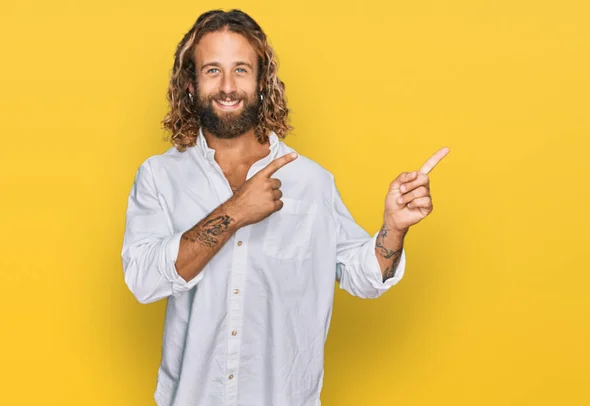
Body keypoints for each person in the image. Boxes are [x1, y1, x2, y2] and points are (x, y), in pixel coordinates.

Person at [121, 9, 449, 406]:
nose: (227, 86)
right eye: (212, 70)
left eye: (241, 70)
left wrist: (393, 229)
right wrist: (236, 211)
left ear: (262, 82)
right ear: (190, 84)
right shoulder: (159, 176)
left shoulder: (311, 182)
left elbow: (362, 276)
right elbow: (143, 280)